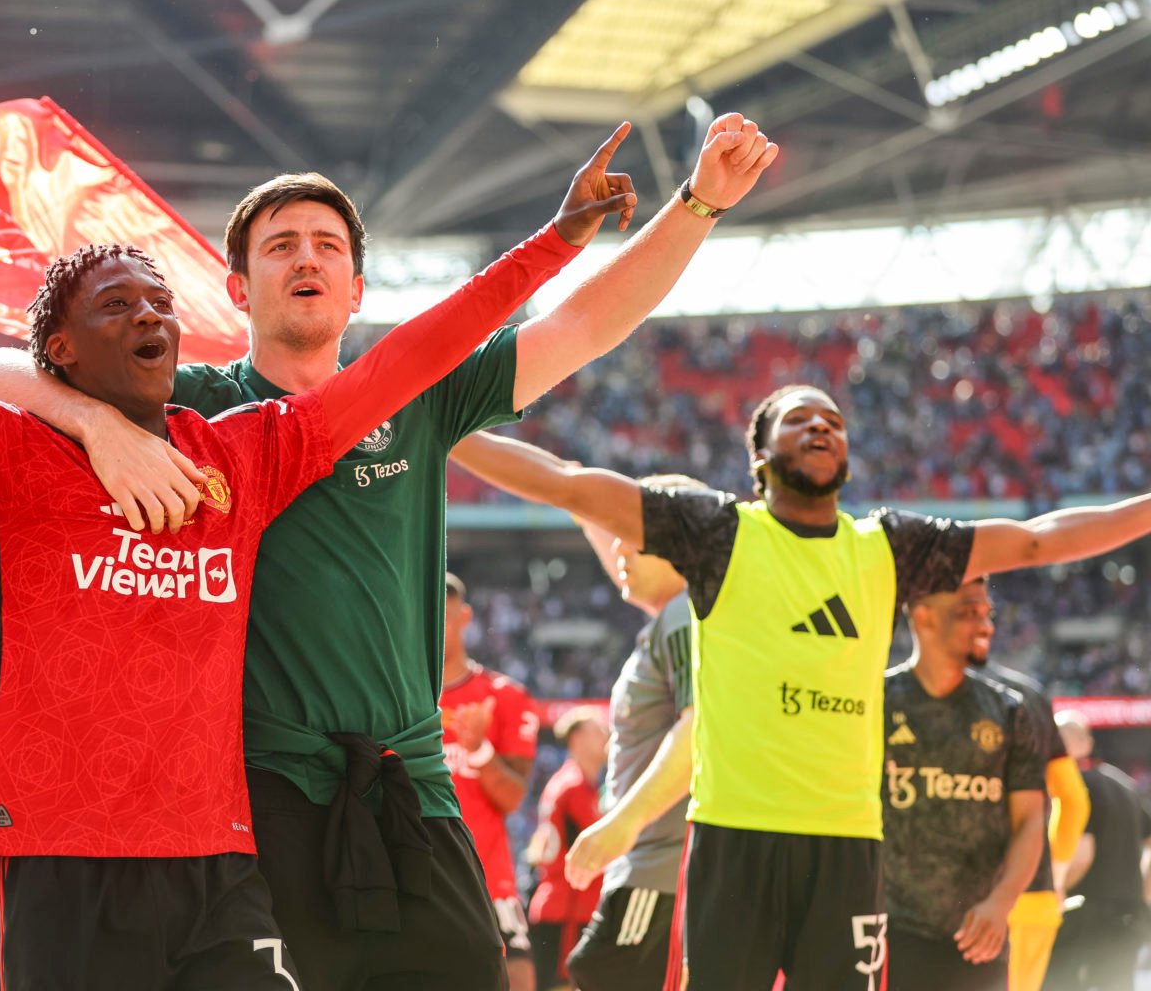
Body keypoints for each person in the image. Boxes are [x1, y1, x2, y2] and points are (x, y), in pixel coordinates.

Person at [0, 41, 631, 990]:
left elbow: (413, 359)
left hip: (221, 859)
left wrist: (554, 244)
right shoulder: (15, 458)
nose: (152, 315)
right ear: (59, 351)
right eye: (118, 306)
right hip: (66, 858)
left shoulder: (245, 452)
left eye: (161, 302)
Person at [0, 75, 777, 991]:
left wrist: (700, 203)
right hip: (259, 792)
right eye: (279, 246)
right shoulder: (192, 403)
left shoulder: (420, 394)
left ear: (354, 288)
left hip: (410, 787)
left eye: (326, 245)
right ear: (237, 286)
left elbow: (586, 321)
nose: (305, 257)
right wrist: (101, 427)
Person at [431, 384, 1151, 988]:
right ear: (760, 455)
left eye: (834, 421)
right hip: (734, 841)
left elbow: (1036, 538)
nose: (821, 426)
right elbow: (565, 484)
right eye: (800, 418)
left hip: (845, 846)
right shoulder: (718, 534)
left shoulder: (887, 546)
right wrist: (427, 414)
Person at [556, 491, 698, 991]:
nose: (618, 551)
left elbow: (698, 726)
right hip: (651, 863)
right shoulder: (672, 617)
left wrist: (622, 823)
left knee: (600, 973)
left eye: (633, 543)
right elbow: (607, 532)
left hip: (662, 867)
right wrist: (577, 497)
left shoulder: (685, 616)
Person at [882, 577, 1047, 990]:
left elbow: (1031, 821)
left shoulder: (1009, 710)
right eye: (969, 613)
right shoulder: (876, 701)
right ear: (924, 617)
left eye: (987, 614)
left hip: (980, 937)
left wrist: (1000, 902)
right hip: (887, 934)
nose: (987, 625)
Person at [964, 633, 1090, 991]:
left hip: (956, 898)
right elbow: (1075, 800)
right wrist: (1058, 873)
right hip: (1034, 895)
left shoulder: (927, 689)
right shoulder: (1030, 696)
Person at [440, 572, 540, 991]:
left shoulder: (503, 696)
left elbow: (513, 797)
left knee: (513, 974)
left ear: (465, 617)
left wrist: (479, 749)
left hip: (488, 876)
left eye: (442, 615)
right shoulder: (398, 700)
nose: (432, 624)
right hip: (414, 874)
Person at [1045, 711, 1151, 991]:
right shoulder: (1125, 783)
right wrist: (1142, 893)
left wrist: (1055, 890)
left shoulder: (1075, 787)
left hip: (1084, 911)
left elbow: (1082, 852)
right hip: (1129, 912)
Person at [527, 706, 607, 991]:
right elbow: (607, 845)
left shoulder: (570, 782)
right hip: (569, 909)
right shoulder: (574, 788)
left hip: (562, 905)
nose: (606, 736)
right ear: (576, 739)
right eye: (598, 730)